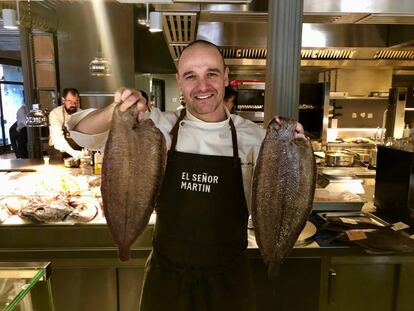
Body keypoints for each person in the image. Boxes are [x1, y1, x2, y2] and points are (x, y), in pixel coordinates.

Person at [68, 40, 305, 311]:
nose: (202, 86)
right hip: (167, 277)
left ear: (226, 76)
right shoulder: (156, 127)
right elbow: (82, 133)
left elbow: (286, 191)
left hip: (229, 280)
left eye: (211, 74)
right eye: (191, 76)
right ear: (180, 81)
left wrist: (295, 152)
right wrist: (118, 109)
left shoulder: (256, 138)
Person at [48, 88, 83, 159]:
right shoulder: (55, 114)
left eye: (76, 102)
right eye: (70, 101)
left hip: (78, 150)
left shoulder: (81, 113)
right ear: (63, 100)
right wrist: (73, 153)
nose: (73, 105)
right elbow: (57, 138)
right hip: (59, 152)